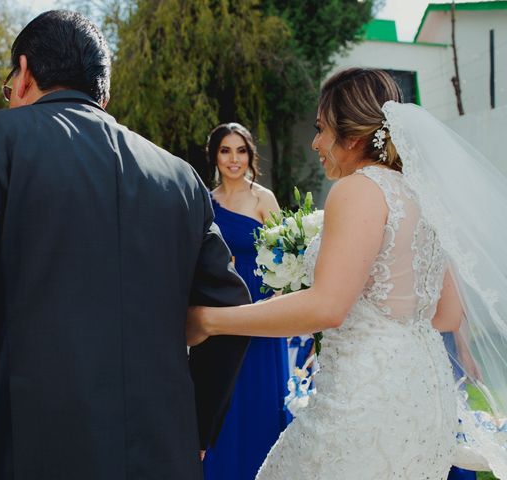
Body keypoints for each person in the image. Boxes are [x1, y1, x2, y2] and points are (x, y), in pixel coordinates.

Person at [0, 11, 252, 480]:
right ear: (105, 94)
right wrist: (194, 431)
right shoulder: (180, 177)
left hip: (23, 451)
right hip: (161, 455)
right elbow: (231, 313)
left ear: (25, 72)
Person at [187, 68, 492, 478]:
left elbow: (328, 306)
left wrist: (210, 320)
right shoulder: (423, 194)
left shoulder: (358, 189)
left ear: (351, 137)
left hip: (366, 401)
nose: (315, 143)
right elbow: (446, 316)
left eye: (321, 129)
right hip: (425, 397)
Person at [203, 123, 290, 480]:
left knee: (262, 398)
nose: (233, 159)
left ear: (250, 155)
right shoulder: (207, 202)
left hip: (264, 310)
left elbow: (289, 254)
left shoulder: (262, 199)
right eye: (226, 150)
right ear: (215, 156)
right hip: (225, 310)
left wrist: (280, 301)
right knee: (227, 398)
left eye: (240, 150)